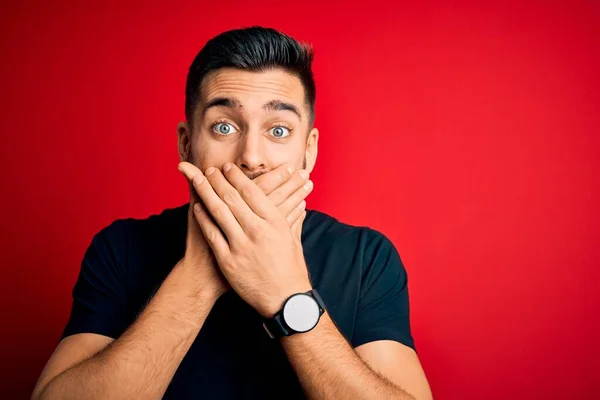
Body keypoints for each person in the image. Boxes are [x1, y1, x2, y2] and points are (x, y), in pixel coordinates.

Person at [32, 26, 432, 399]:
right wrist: (198, 277)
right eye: (225, 127)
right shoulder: (120, 248)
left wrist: (288, 295)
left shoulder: (366, 257)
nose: (251, 158)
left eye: (278, 130)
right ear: (186, 144)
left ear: (308, 151)